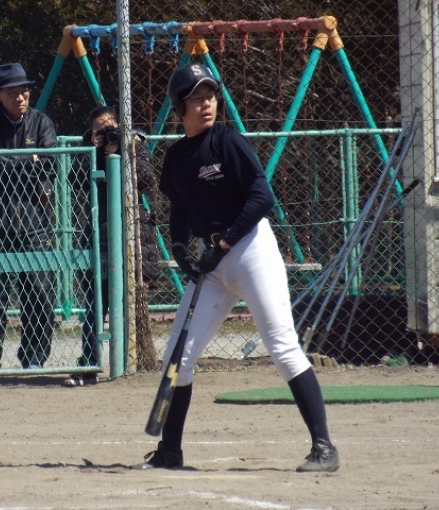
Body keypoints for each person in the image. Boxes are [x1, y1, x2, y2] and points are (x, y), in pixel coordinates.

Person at [132, 63, 339, 472]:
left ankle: (324, 448)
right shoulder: (176, 157)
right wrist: (181, 249)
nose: (206, 103)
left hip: (250, 251)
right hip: (212, 263)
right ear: (179, 107)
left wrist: (224, 242)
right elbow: (178, 209)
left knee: (282, 347)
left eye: (209, 95)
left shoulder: (227, 142)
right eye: (196, 97)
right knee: (178, 358)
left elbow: (262, 197)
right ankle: (170, 452)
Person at [0, 62, 58, 370]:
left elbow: (50, 166)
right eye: (12, 92)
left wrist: (3, 158)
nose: (20, 97)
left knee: (39, 293)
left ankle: (34, 359)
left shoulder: (41, 123)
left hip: (36, 224)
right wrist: (27, 161)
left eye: (24, 91)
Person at [64, 106, 159, 387]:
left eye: (111, 128)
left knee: (130, 302)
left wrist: (124, 152)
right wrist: (96, 152)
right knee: (96, 304)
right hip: (100, 234)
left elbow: (146, 180)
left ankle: (130, 362)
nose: (107, 134)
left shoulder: (133, 146)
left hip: (131, 234)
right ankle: (90, 363)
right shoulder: (89, 152)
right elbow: (75, 180)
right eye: (100, 130)